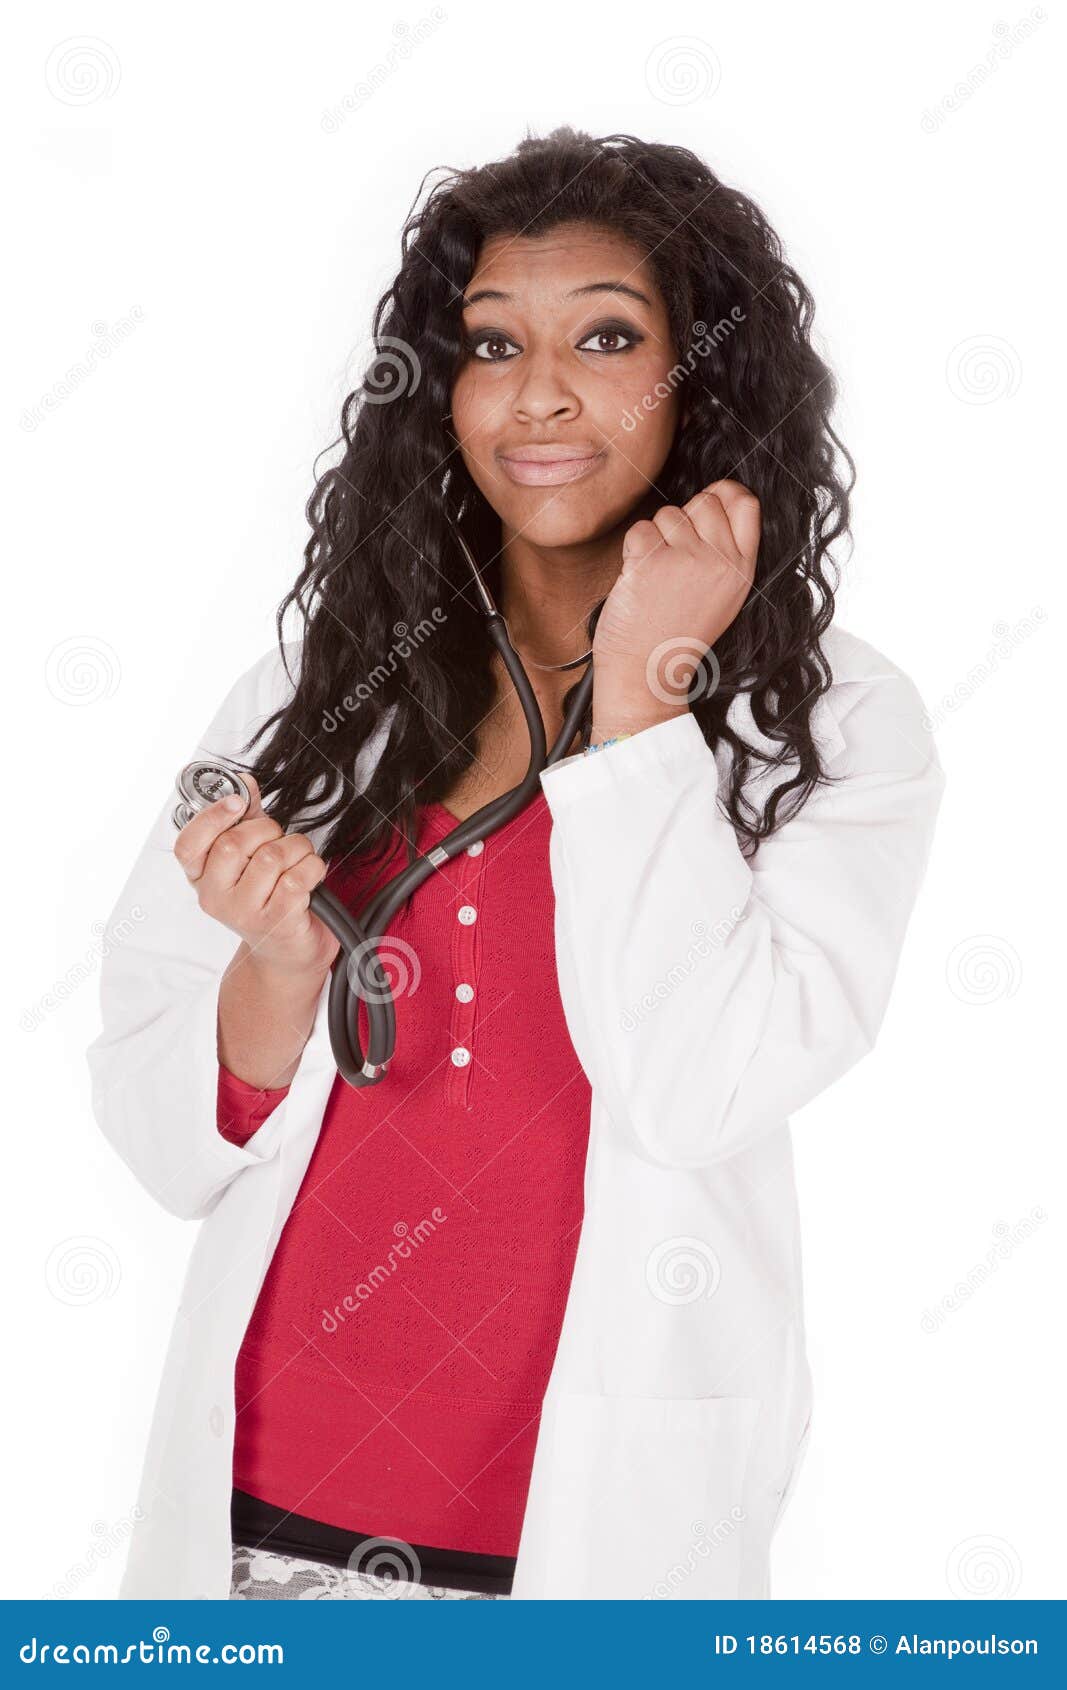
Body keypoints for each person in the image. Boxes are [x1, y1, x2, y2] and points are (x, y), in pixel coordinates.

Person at [86, 127, 945, 1601]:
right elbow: (169, 1145)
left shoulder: (834, 719)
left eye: (608, 336)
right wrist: (277, 966)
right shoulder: (320, 692)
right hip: (266, 1515)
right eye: (492, 345)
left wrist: (648, 703)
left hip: (589, 1537)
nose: (539, 392)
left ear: (707, 376)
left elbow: (695, 1084)